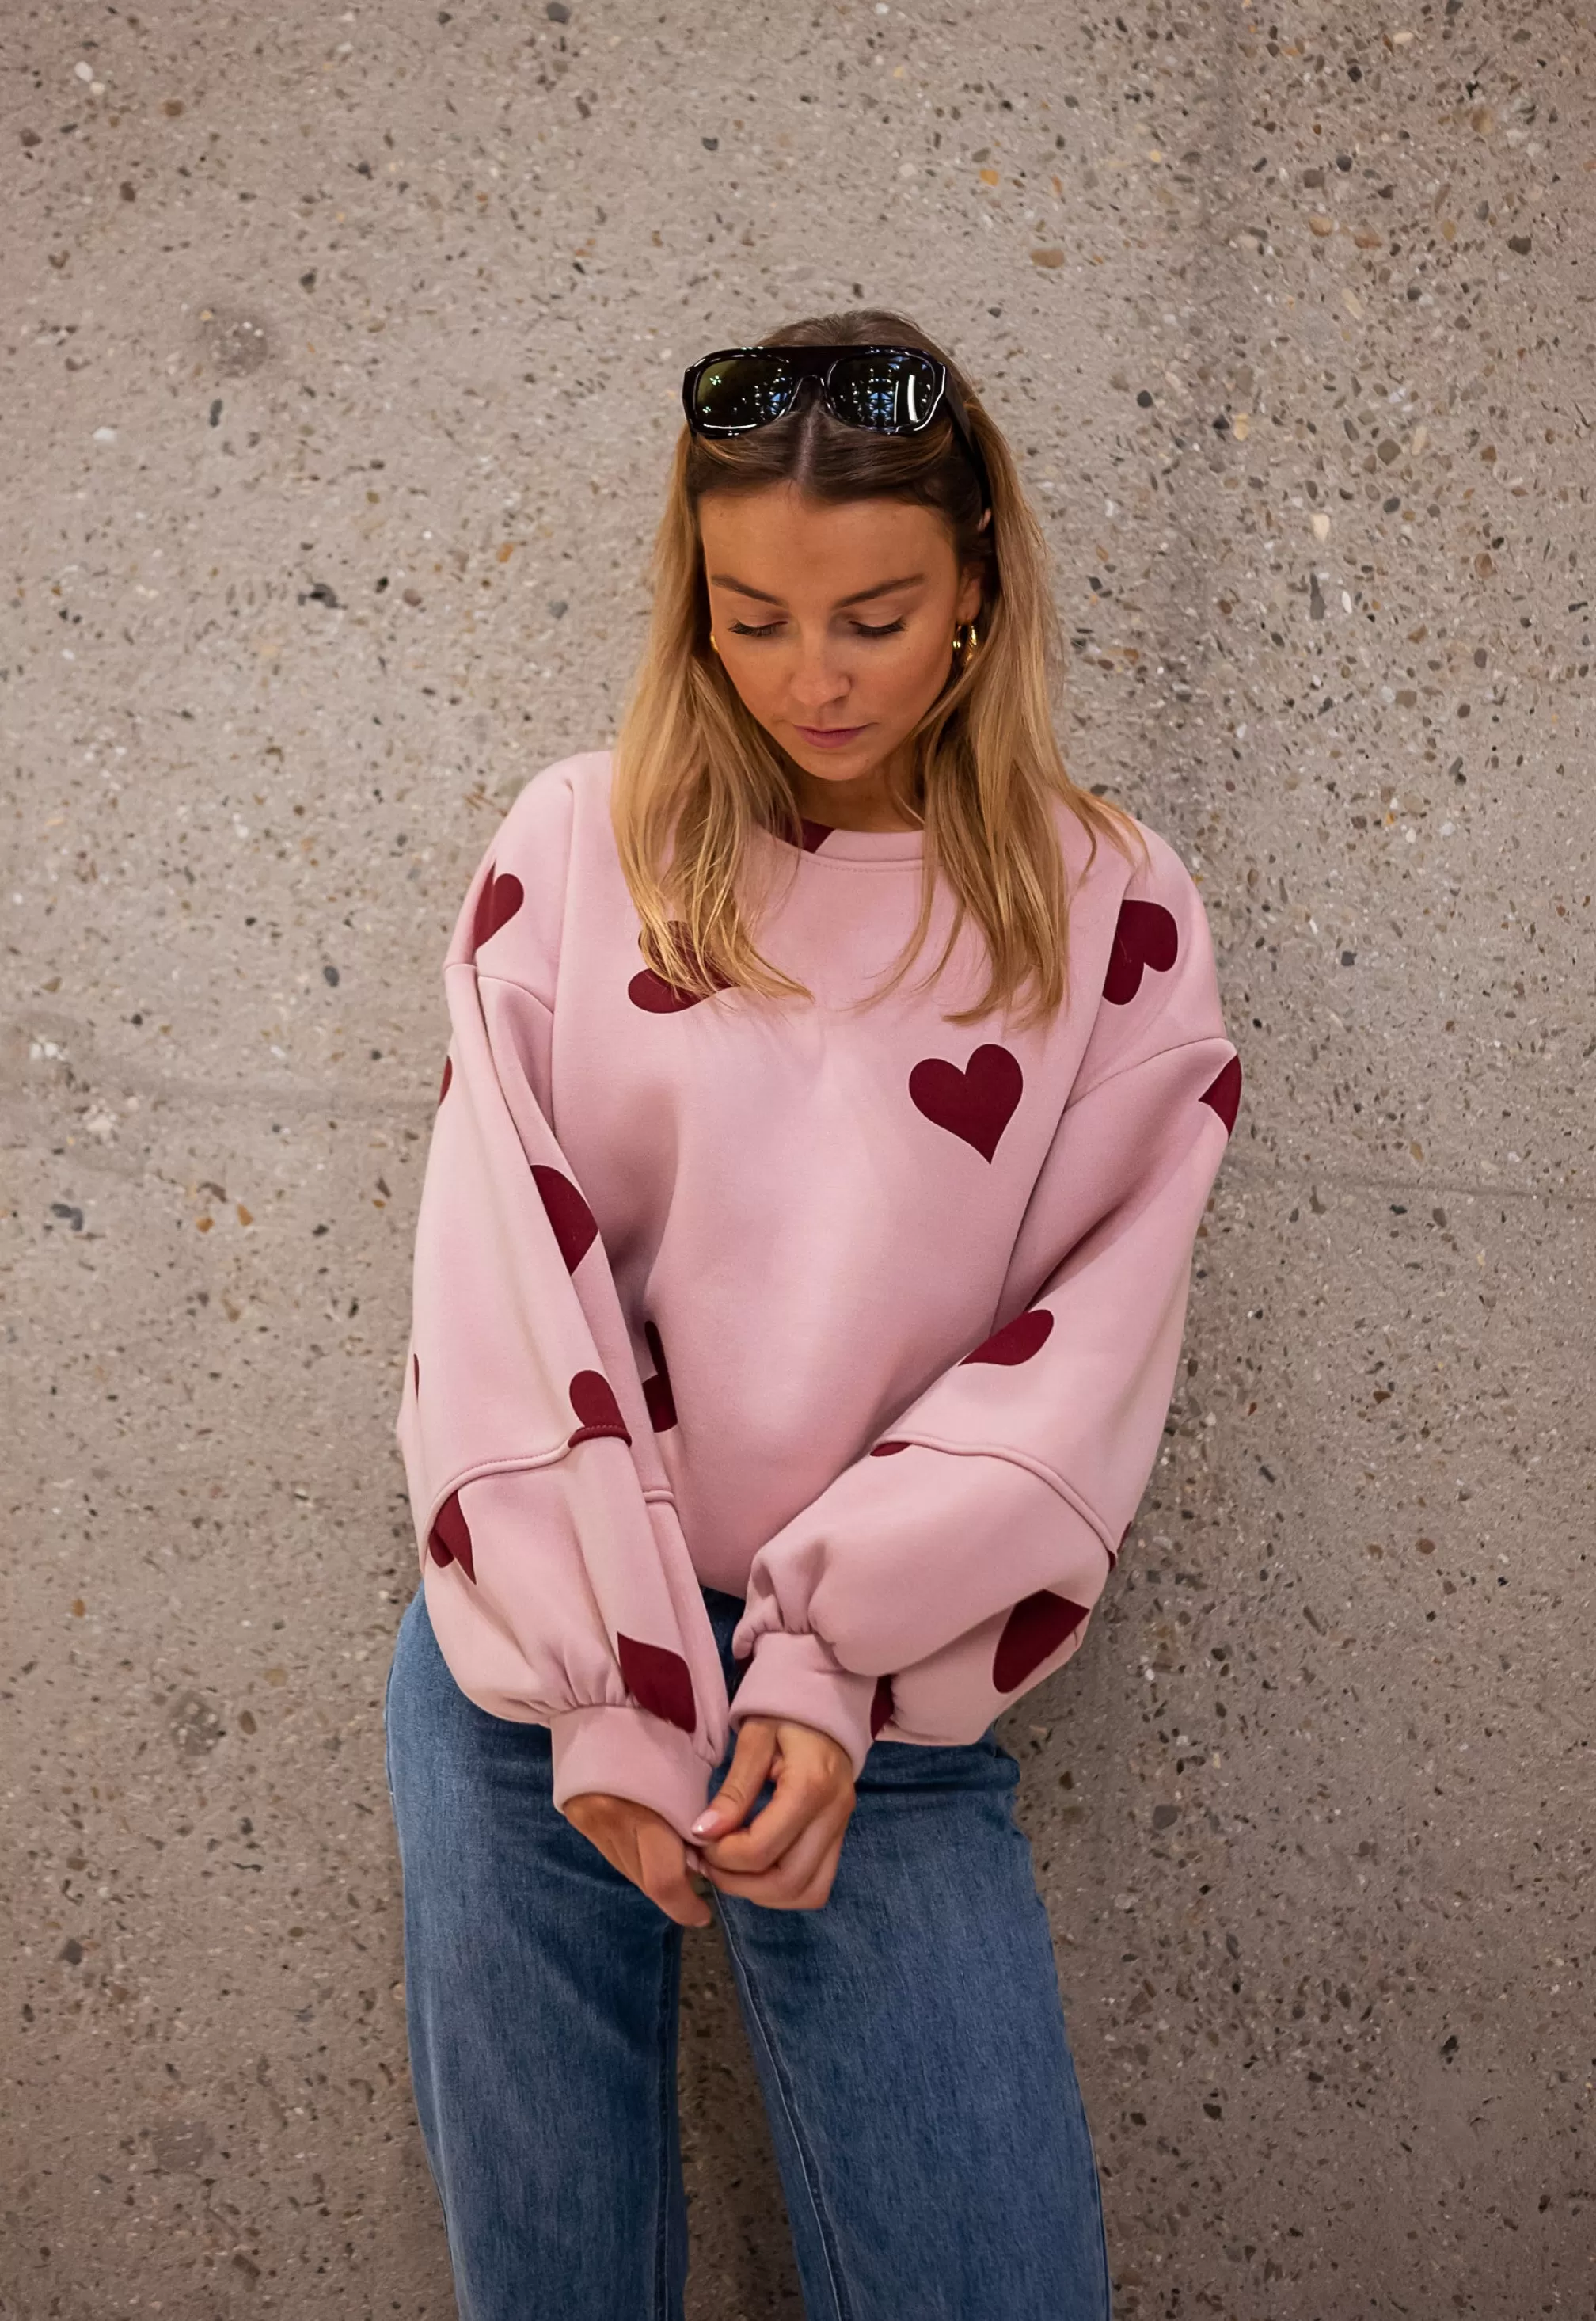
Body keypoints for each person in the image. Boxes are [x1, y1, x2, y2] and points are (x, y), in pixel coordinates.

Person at [382, 307, 1241, 2321]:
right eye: (751, 616)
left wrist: (829, 1654)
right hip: (535, 1672)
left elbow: (1092, 1339)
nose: (810, 678)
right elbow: (498, 1278)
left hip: (895, 1686)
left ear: (979, 591)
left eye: (873, 616)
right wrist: (602, 1679)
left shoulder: (1107, 910)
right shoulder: (583, 844)